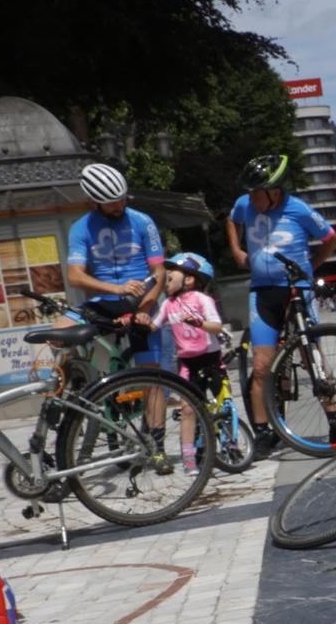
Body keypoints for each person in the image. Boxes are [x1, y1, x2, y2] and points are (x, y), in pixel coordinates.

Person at [226, 154, 336, 459]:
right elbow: (232, 218)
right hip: (263, 293)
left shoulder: (298, 209)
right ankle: (265, 434)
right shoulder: (245, 204)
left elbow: (331, 239)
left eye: (256, 192)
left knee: (313, 359)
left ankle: (335, 423)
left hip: (297, 292)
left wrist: (312, 267)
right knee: (262, 366)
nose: (250, 198)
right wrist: (236, 249)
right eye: (250, 192)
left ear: (274, 191)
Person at [67, 163, 171, 464]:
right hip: (105, 300)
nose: (119, 205)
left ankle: (157, 444)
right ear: (93, 202)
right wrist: (115, 289)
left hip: (142, 299)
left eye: (122, 198)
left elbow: (159, 271)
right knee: (58, 335)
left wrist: (146, 308)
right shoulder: (80, 228)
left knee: (152, 374)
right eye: (112, 201)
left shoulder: (142, 221)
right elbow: (75, 276)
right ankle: (71, 397)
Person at [153, 251, 226, 473]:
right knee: (187, 410)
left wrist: (199, 323)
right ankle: (189, 459)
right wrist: (140, 319)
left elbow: (217, 327)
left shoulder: (203, 300)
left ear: (189, 278)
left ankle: (230, 447)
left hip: (212, 361)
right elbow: (154, 326)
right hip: (188, 365)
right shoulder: (168, 304)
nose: (165, 283)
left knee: (223, 406)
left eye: (170, 277)